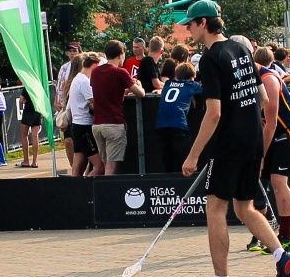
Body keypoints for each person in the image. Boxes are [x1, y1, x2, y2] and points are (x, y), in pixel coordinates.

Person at [179, 0, 290, 277]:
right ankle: (281, 256)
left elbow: (214, 113)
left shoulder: (210, 58)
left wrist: (193, 155)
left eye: (190, 24)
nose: (188, 30)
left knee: (215, 208)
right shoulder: (242, 49)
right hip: (252, 139)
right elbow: (262, 96)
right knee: (245, 207)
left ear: (203, 23)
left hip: (228, 144)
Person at [253, 45, 290, 250]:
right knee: (257, 180)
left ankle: (286, 236)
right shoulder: (244, 80)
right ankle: (259, 235)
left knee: (278, 180)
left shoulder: (268, 79)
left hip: (287, 132)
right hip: (268, 131)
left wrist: (261, 155)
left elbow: (272, 122)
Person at [86, 41, 141, 177]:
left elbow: (106, 91)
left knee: (105, 163)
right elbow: (140, 93)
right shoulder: (120, 72)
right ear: (121, 55)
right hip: (114, 124)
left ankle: (100, 188)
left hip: (97, 125)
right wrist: (139, 85)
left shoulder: (96, 71)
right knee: (111, 166)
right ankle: (108, 189)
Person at [153, 61, 203, 175]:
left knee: (167, 163)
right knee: (182, 162)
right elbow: (207, 90)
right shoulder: (191, 85)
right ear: (192, 77)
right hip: (179, 126)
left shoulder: (168, 83)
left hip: (161, 126)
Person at [64, 52, 97, 177]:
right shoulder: (84, 81)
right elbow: (95, 102)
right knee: (100, 166)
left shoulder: (77, 79)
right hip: (84, 126)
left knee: (77, 169)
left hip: (77, 125)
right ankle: (87, 186)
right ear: (94, 65)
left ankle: (75, 187)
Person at [18, 74, 46, 168]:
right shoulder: (39, 85)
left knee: (24, 134)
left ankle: (26, 160)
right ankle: (35, 161)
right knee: (34, 135)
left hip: (28, 111)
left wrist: (23, 98)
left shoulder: (27, 86)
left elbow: (21, 100)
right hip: (37, 110)